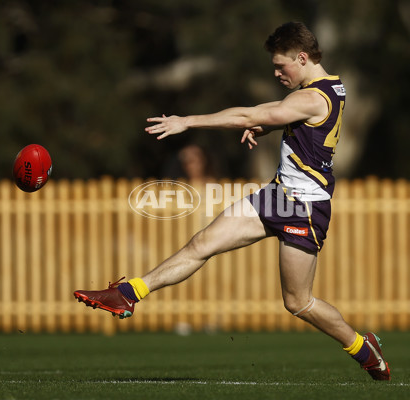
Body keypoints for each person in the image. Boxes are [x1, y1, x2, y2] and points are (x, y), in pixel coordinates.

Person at [74, 22, 390, 381]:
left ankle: (363, 349)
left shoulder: (310, 97)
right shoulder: (331, 86)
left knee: (298, 302)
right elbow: (302, 124)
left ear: (302, 58)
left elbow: (251, 113)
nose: (276, 72)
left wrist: (187, 121)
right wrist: (269, 126)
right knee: (202, 243)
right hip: (276, 195)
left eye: (280, 65)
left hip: (302, 208)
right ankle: (129, 293)